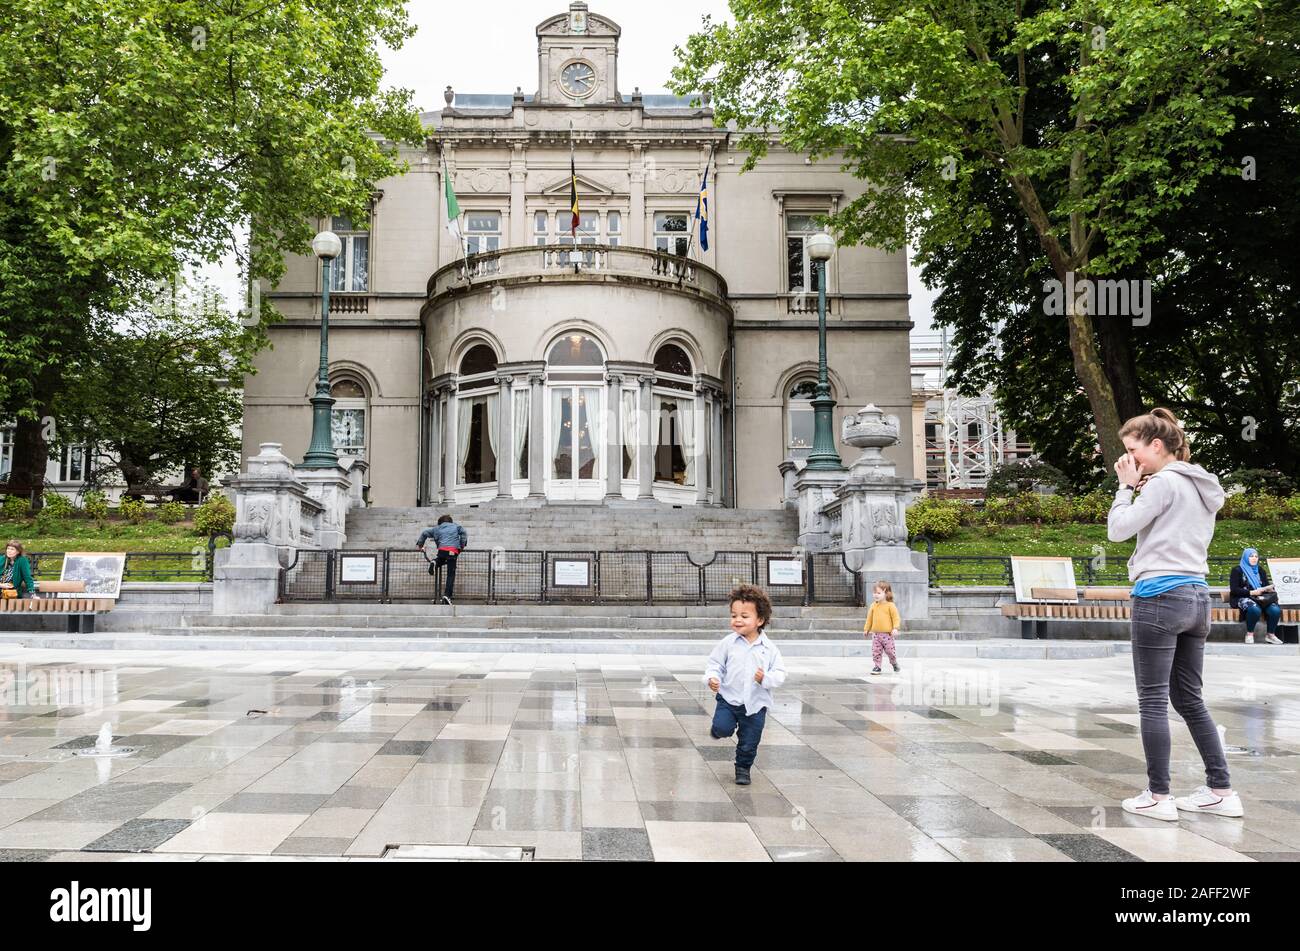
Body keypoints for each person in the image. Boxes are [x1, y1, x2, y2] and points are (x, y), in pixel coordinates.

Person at [1107, 408, 1242, 820]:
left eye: (1133, 451)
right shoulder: (1201, 484)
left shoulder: (1162, 483)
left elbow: (1119, 529)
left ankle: (1158, 796)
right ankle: (1221, 790)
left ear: (1156, 445)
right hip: (1197, 596)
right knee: (1190, 700)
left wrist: (1124, 489)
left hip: (1160, 595)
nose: (1130, 460)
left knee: (1152, 699)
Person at [704, 585, 787, 786]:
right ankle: (720, 729)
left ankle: (743, 767)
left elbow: (780, 674)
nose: (737, 620)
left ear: (760, 620)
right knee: (723, 728)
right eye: (734, 615)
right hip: (728, 699)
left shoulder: (769, 649)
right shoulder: (728, 643)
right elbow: (715, 663)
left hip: (756, 705)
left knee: (750, 741)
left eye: (744, 616)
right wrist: (713, 678)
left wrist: (765, 678)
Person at [1230, 548, 1282, 645]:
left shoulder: (1260, 570)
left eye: (1256, 556)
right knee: (1254, 609)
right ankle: (1249, 634)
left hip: (1261, 598)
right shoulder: (1237, 570)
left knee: (1275, 610)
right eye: (1251, 556)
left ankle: (1270, 635)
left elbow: (1265, 584)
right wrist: (1251, 592)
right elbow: (1234, 589)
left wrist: (1268, 589)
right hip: (1244, 597)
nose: (1254, 558)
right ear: (1245, 557)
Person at [415, 514, 467, 605]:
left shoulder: (437, 528)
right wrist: (462, 545)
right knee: (450, 574)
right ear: (450, 521)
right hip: (453, 550)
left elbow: (424, 533)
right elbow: (463, 532)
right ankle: (447, 595)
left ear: (440, 523)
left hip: (442, 550)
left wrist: (420, 544)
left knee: (441, 559)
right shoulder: (456, 526)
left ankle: (435, 562)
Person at [864, 580, 902, 675]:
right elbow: (869, 618)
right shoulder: (873, 606)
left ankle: (894, 663)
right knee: (876, 651)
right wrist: (866, 629)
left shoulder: (890, 606)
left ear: (886, 593)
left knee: (890, 651)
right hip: (876, 634)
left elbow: (896, 618)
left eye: (878, 593)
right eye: (874, 593)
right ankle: (877, 666)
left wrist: (895, 628)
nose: (876, 595)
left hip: (887, 635)